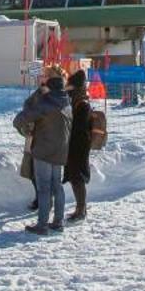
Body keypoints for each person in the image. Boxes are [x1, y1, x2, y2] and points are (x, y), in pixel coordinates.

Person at [13, 71, 72, 234]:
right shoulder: (67, 102)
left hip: (44, 150)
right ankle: (58, 222)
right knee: (57, 186)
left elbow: (20, 119)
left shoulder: (45, 103)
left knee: (44, 188)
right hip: (61, 150)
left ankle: (42, 225)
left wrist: (23, 130)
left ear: (50, 85)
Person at [64, 71, 94, 222]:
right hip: (74, 145)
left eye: (69, 85)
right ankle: (80, 208)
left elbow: (79, 128)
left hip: (79, 146)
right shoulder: (76, 100)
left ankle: (81, 210)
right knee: (75, 176)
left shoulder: (82, 104)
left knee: (77, 177)